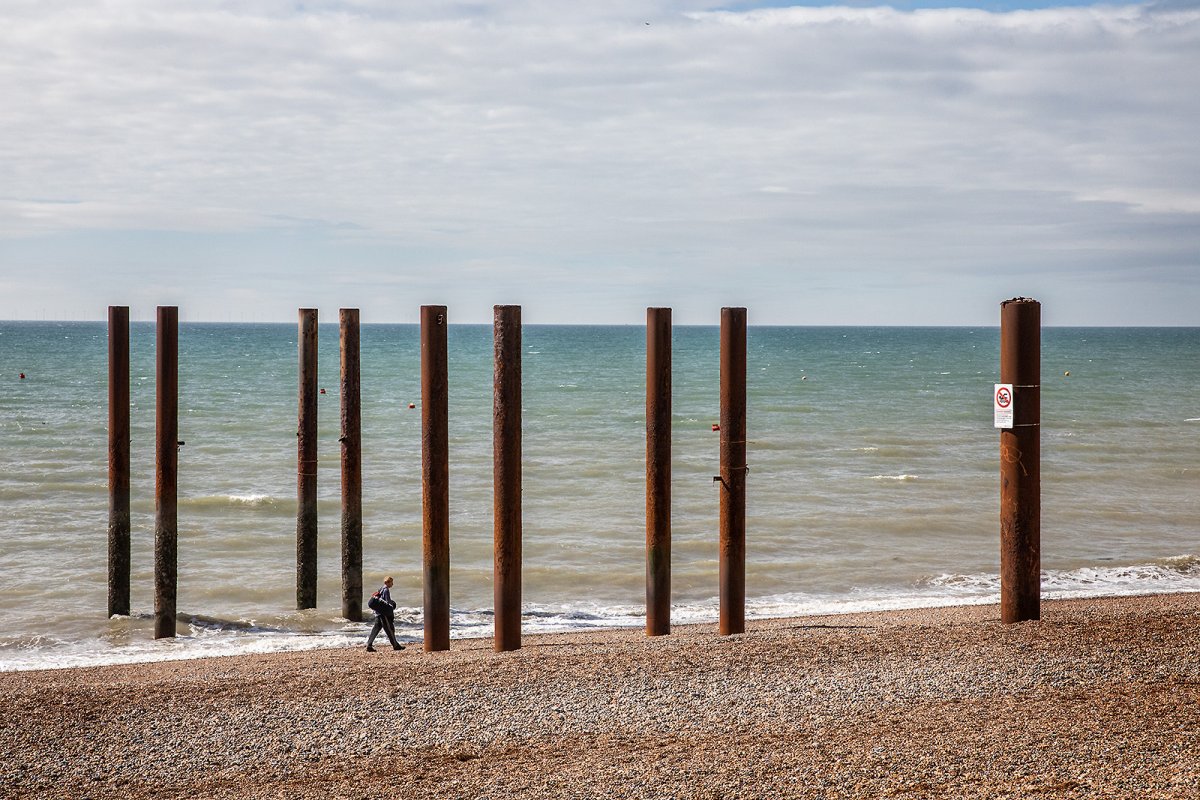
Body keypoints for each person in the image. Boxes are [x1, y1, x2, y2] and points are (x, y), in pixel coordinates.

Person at [366, 575, 404, 652]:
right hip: (383, 614)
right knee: (389, 629)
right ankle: (395, 645)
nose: (392, 584)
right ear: (388, 582)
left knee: (376, 629)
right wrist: (392, 607)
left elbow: (379, 600)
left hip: (378, 612)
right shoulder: (386, 590)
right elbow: (387, 602)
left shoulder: (380, 589)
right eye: (392, 582)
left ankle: (369, 645)